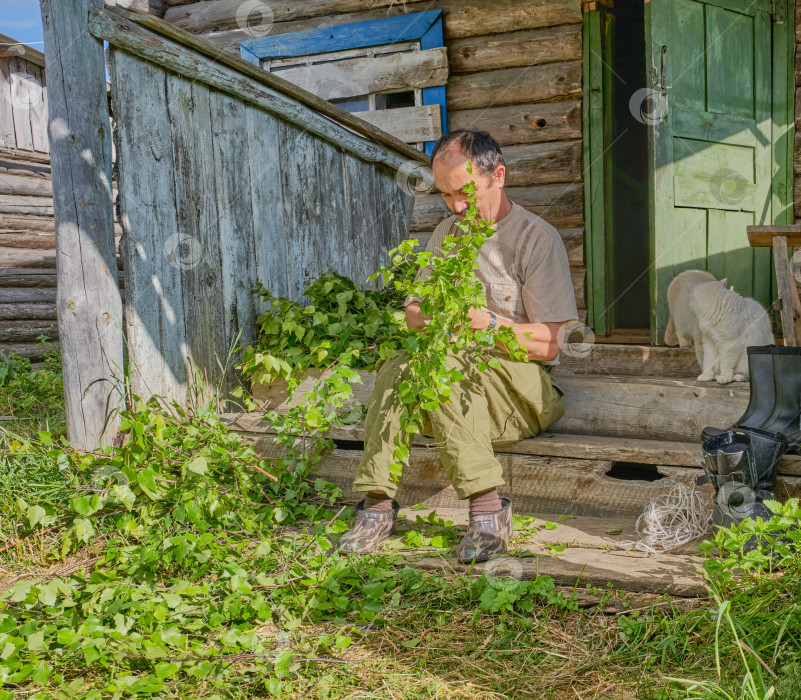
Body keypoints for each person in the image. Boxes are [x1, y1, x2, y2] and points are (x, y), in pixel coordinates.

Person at [337, 129, 579, 562]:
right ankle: (376, 505)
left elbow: (552, 344)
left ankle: (488, 509)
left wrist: (485, 326)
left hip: (521, 395)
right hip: (455, 390)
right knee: (402, 360)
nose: (457, 206)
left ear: (498, 175)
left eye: (465, 192)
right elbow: (413, 314)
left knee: (443, 362)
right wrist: (435, 318)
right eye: (446, 196)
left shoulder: (536, 240)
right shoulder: (446, 234)